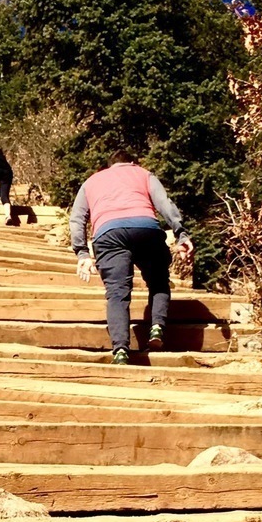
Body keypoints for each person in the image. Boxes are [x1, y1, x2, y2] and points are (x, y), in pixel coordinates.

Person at [69, 150, 194, 364]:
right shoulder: (143, 174)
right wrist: (181, 233)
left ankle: (120, 350)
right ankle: (156, 328)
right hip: (145, 227)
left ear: (109, 166)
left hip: (108, 233)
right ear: (133, 162)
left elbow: (77, 218)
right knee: (158, 281)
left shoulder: (91, 182)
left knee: (117, 293)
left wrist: (82, 252)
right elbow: (165, 203)